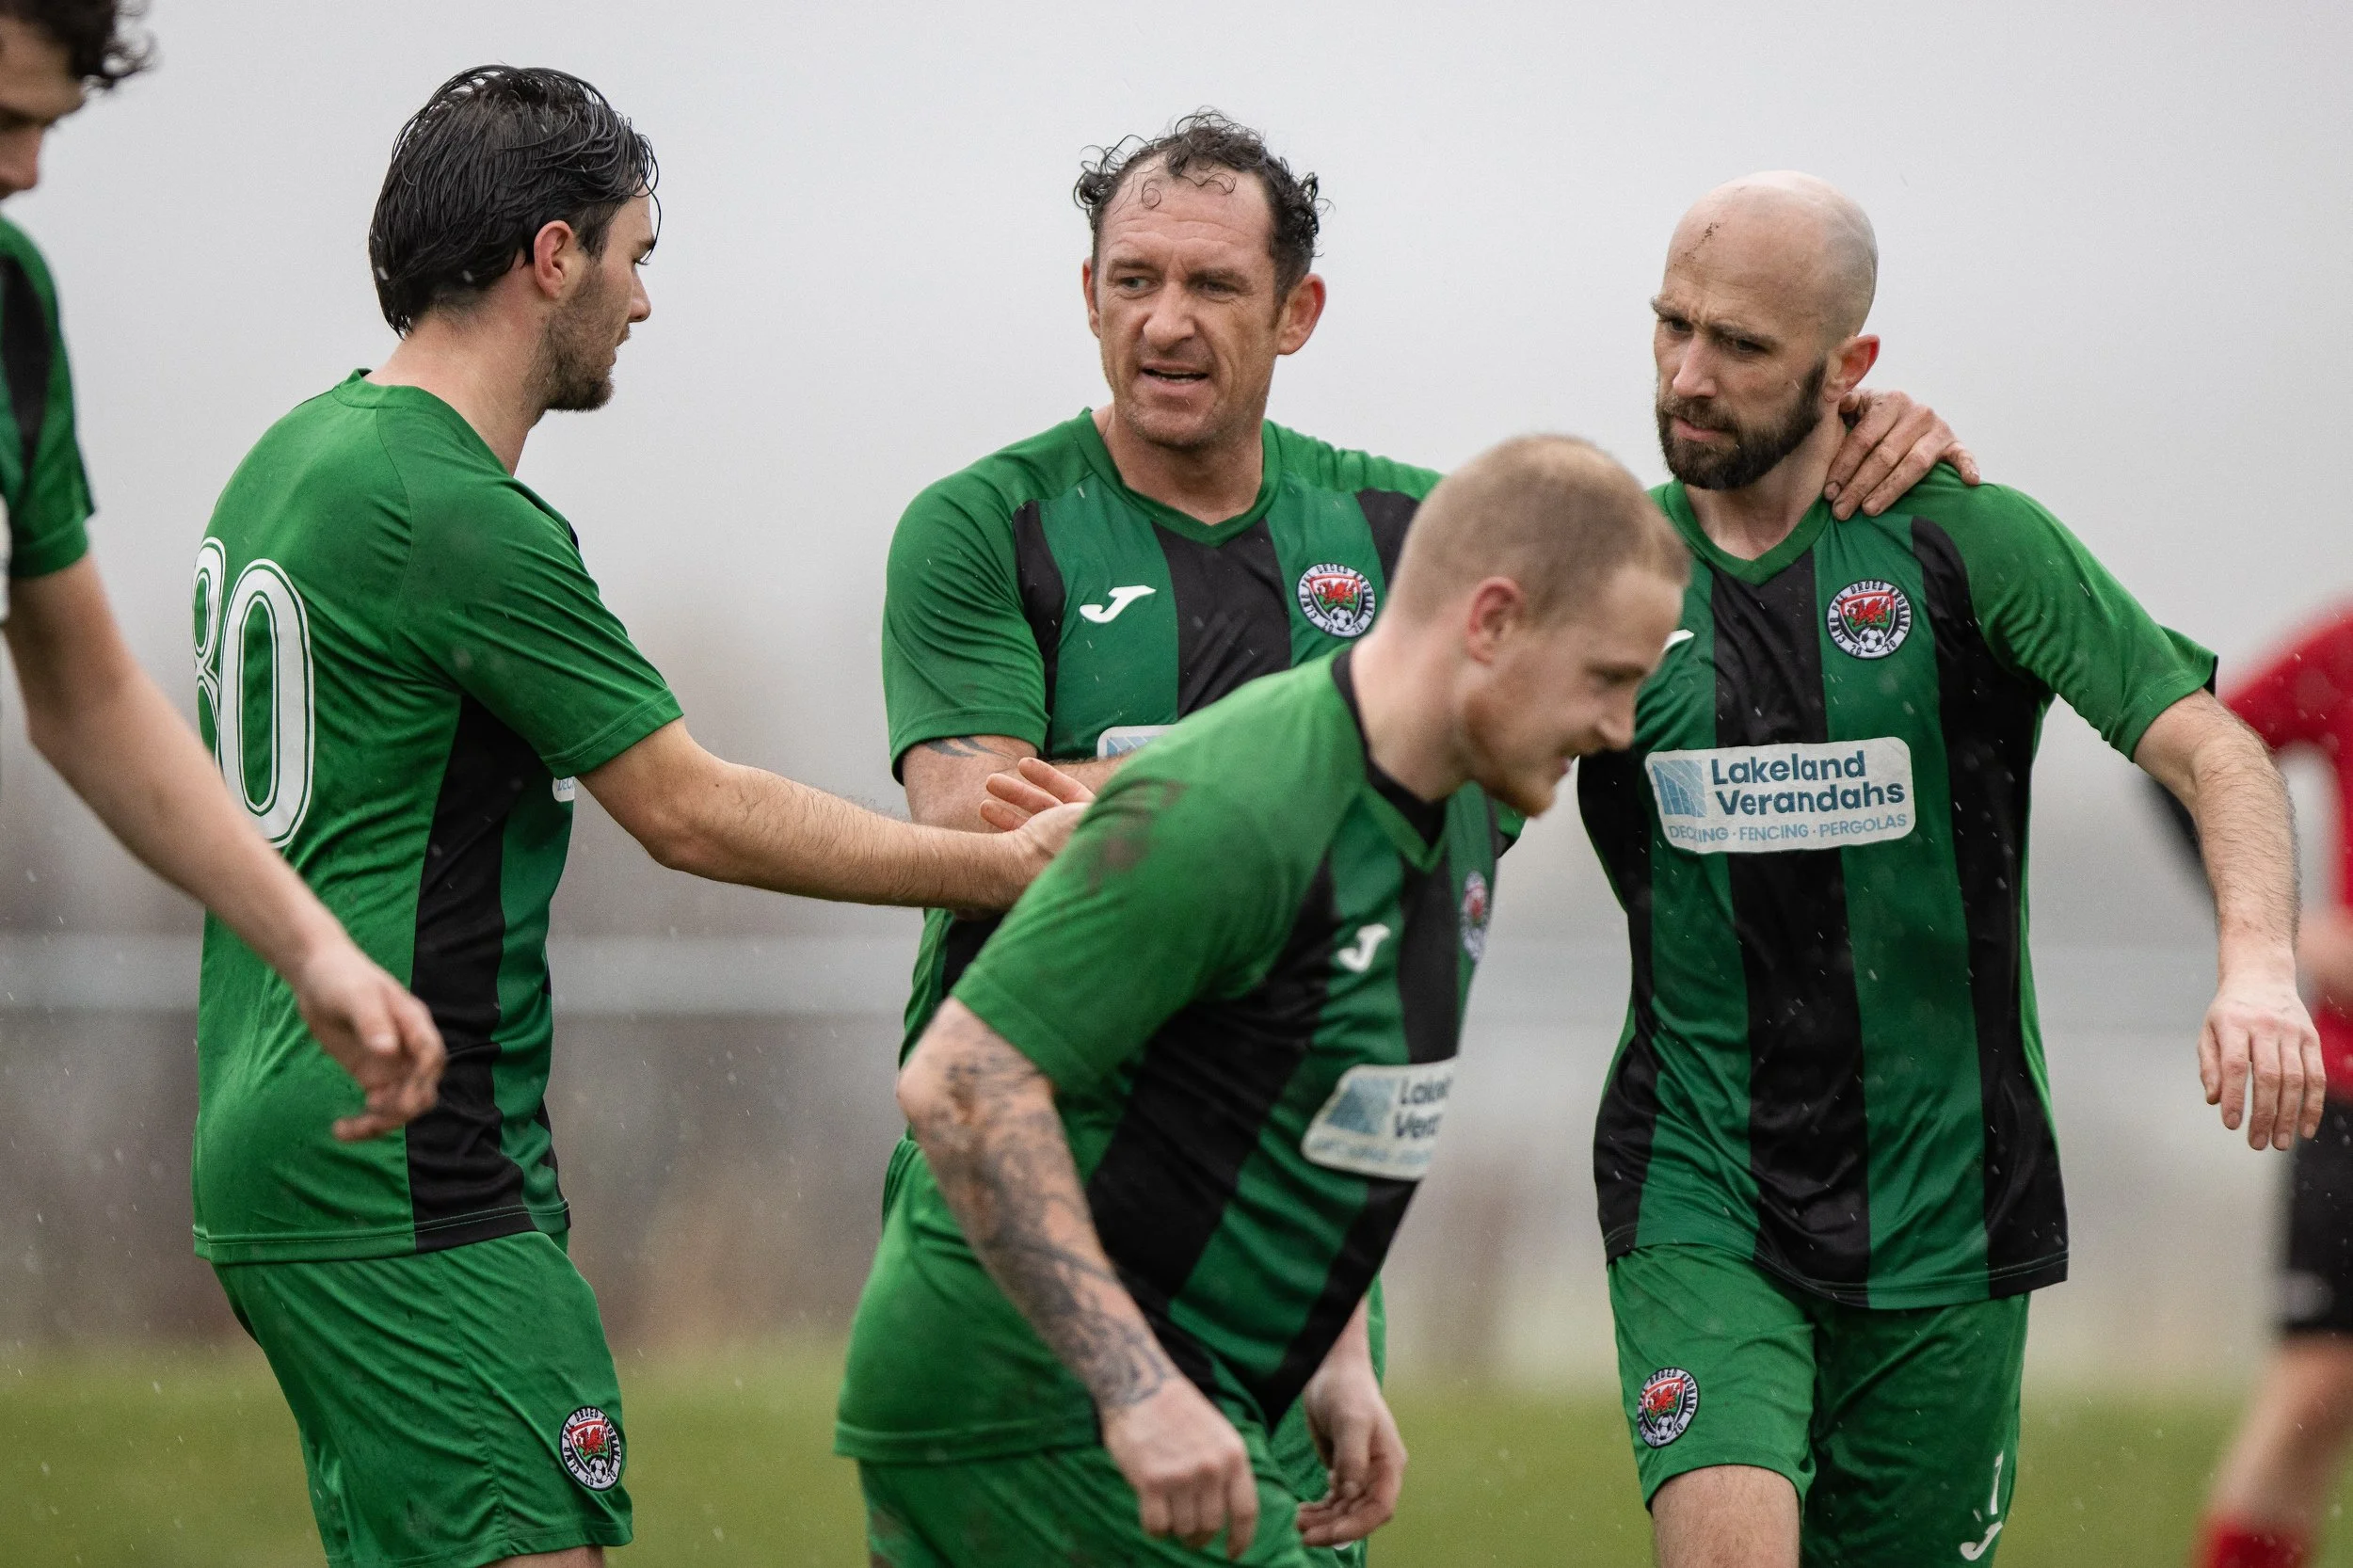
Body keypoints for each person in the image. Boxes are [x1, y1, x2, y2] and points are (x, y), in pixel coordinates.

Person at [872, 110, 1974, 1554]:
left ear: (1298, 311)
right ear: (1087, 294)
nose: (1166, 321)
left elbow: (1610, 599)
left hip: (1290, 1225)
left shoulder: (1407, 529)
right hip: (1053, 1207)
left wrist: (1848, 433)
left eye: (1213, 286)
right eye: (1132, 279)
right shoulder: (986, 524)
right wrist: (1315, 752)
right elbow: (986, 823)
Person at [194, 69, 1076, 1568]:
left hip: (279, 1141)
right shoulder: (451, 509)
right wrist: (994, 861)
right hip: (405, 1164)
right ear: (552, 257)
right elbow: (691, 807)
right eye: (635, 255)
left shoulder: (297, 452)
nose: (643, 303)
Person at [1577, 170, 2323, 1568]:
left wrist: (2259, 968)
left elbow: (2216, 753)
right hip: (1698, 1181)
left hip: (1948, 1196)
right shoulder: (1602, 567)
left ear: (1849, 367)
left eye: (1739, 345)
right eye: (1671, 325)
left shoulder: (1967, 539)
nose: (1687, 373)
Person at [841, 433, 1689, 1566]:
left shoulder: (1455, 803)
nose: (1618, 729)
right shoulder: (1235, 804)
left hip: (1182, 1382)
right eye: (1606, 679)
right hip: (1028, 1403)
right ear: (1489, 623)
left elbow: (1315, 1087)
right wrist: (1138, 1389)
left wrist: (1336, 1353)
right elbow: (961, 1079)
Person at [0, 0, 444, 1136]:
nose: (27, 171)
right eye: (0, 120)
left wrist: (312, 948)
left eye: (44, 125)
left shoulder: (11, 308)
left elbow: (86, 697)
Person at [2189, 607, 2353, 1568]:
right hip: (2348, 1083)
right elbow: (2203, 748)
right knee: (2315, 1385)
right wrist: (2279, 923)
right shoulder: (2341, 647)